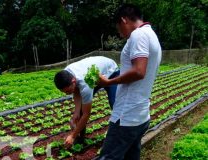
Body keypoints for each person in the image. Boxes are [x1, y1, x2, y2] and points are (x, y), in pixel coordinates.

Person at [97, 4, 162, 160]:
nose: (120, 34)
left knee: (109, 157)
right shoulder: (151, 34)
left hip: (126, 116)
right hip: (140, 115)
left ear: (123, 20)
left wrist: (109, 82)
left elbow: (139, 71)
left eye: (119, 29)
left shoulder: (138, 35)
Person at [54, 56, 119, 148]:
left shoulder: (85, 84)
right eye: (64, 92)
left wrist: (72, 135)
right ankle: (80, 140)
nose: (67, 94)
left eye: (68, 91)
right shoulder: (66, 74)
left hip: (111, 71)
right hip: (93, 75)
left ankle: (119, 137)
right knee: (79, 112)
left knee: (116, 105)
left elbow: (86, 114)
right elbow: (76, 90)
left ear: (73, 81)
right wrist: (76, 112)